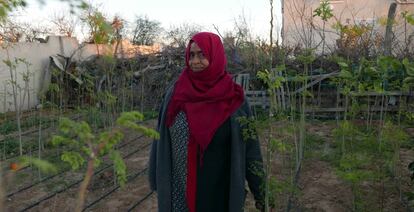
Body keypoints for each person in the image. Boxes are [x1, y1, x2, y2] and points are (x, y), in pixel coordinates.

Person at [148, 32, 265, 212]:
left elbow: (251, 150)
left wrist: (261, 193)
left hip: (220, 195)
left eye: (203, 55)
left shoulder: (234, 99)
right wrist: (157, 178)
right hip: (181, 195)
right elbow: (160, 138)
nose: (195, 61)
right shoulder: (176, 94)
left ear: (215, 56)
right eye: (192, 55)